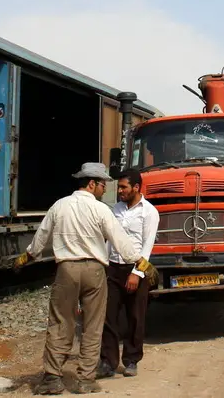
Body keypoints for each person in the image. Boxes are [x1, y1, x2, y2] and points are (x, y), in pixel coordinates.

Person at [19, 162, 158, 395]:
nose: (106, 190)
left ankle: (52, 377)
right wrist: (141, 263)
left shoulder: (59, 206)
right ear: (92, 184)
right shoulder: (102, 210)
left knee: (60, 322)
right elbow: (120, 241)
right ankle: (85, 380)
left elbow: (41, 237)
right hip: (95, 272)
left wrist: (26, 256)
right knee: (93, 326)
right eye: (103, 185)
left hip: (66, 270)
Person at [97, 170, 160, 380]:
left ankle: (132, 360)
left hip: (135, 269)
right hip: (113, 268)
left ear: (136, 187)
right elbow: (109, 240)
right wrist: (103, 266)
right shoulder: (116, 209)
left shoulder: (149, 212)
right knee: (108, 316)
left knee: (135, 316)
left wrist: (136, 273)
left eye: (124, 187)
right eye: (119, 187)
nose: (120, 191)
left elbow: (147, 245)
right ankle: (108, 361)